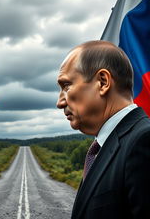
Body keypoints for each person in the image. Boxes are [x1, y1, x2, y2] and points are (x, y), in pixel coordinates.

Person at [56, 40, 150, 219]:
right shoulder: (108, 145)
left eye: (66, 86)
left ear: (103, 82)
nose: (59, 102)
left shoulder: (143, 141)